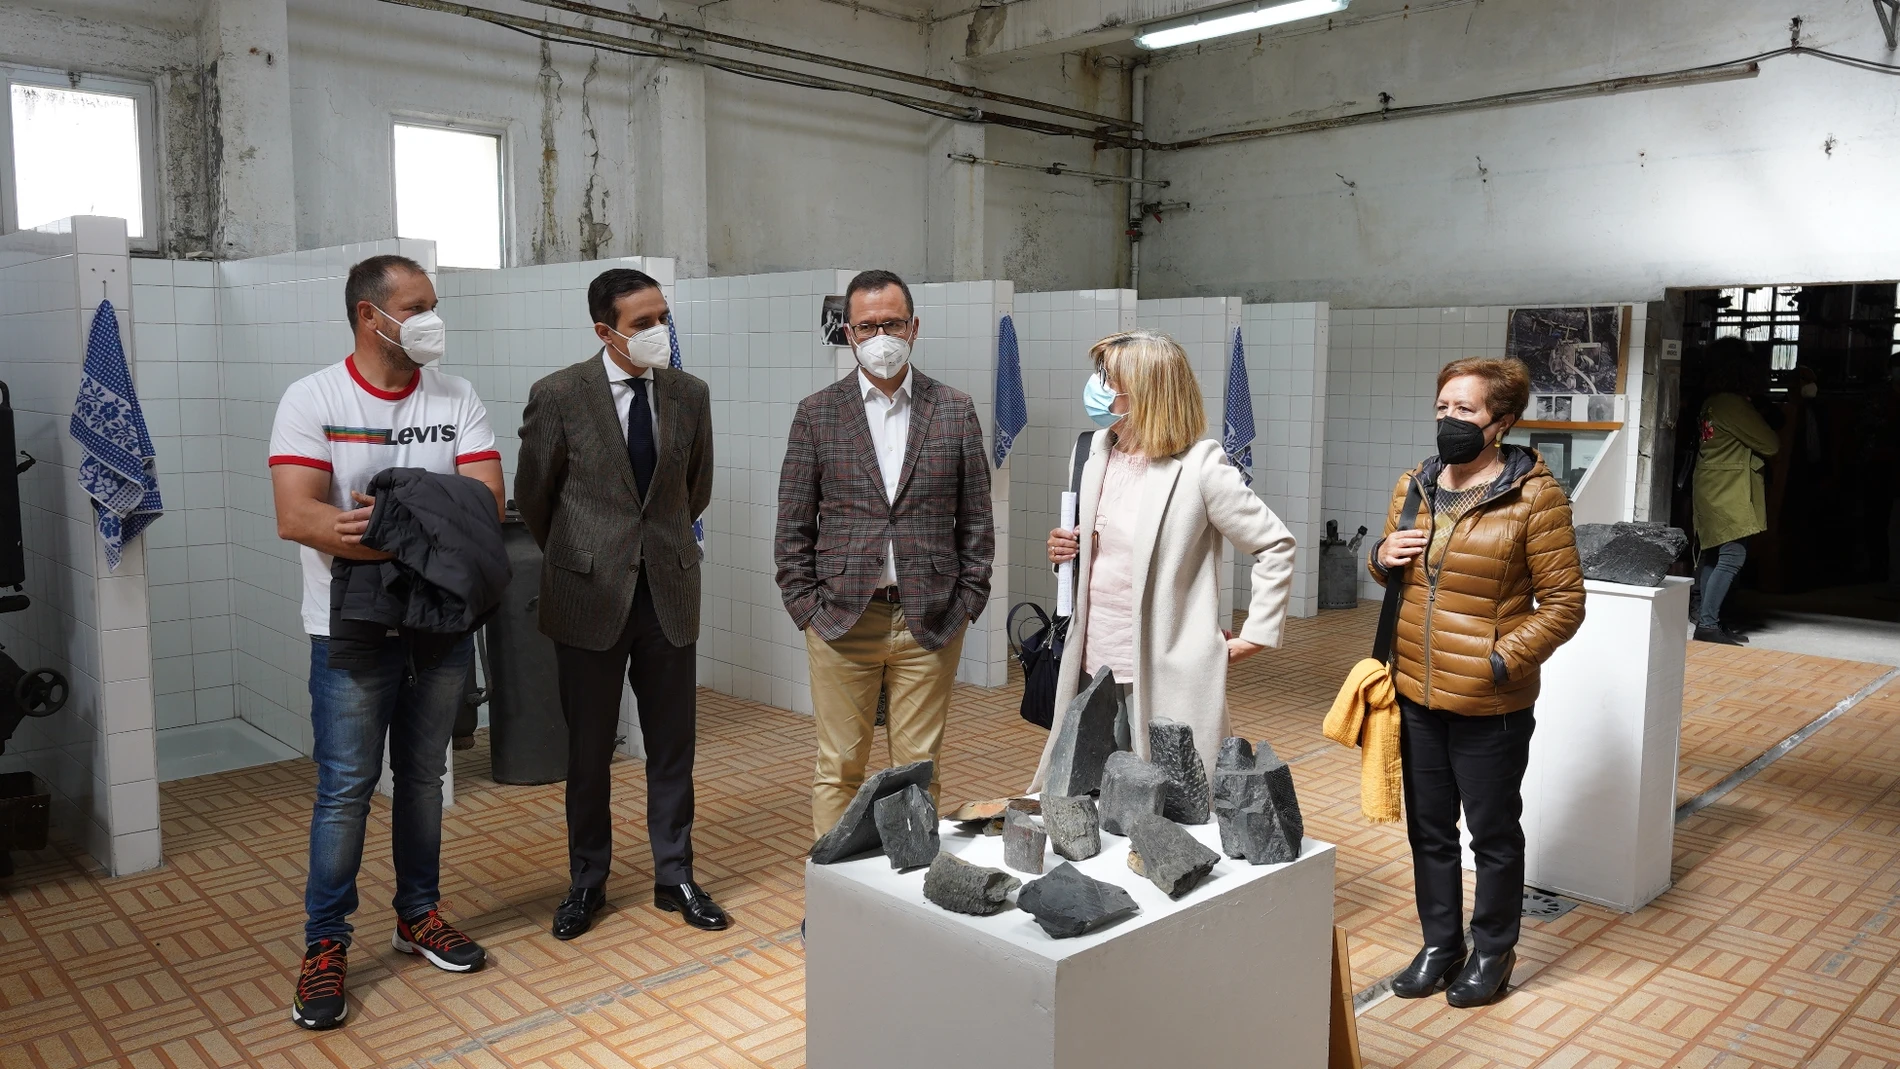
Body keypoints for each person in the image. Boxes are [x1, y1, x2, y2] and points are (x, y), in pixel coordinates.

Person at [271, 254, 505, 1031]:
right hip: (350, 631)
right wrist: (435, 523)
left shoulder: (458, 395)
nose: (434, 318)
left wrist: (385, 518)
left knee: (424, 778)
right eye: (419, 305)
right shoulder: (313, 398)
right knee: (345, 787)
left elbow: (488, 512)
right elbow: (300, 517)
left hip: (438, 627)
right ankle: (325, 944)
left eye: (435, 303)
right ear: (374, 317)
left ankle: (418, 915)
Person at [514, 268, 726, 938]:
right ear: (605, 330)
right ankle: (587, 881)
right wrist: (588, 553)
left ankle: (676, 874)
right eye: (642, 322)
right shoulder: (558, 395)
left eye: (663, 316)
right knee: (588, 751)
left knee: (672, 746)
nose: (659, 331)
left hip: (667, 589)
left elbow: (696, 490)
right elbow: (536, 498)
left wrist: (648, 546)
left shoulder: (690, 394)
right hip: (587, 595)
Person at [1371, 357, 1584, 1009]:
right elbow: (1395, 572)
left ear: (1502, 422)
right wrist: (1380, 559)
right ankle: (1442, 943)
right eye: (1442, 407)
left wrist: (1498, 661)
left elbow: (1564, 602)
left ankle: (1493, 948)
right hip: (1415, 692)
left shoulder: (1535, 496)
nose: (1449, 420)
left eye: (1464, 410)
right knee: (1428, 830)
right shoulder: (1415, 484)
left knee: (1491, 833)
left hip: (1490, 702)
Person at [775, 269, 995, 838]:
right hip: (843, 618)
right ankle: (831, 901)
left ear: (914, 327)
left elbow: (975, 518)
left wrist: (969, 598)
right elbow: (794, 521)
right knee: (840, 769)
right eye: (868, 325)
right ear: (848, 333)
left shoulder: (954, 409)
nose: (881, 336)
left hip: (931, 618)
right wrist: (806, 606)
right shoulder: (818, 412)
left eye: (892, 323)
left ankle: (910, 901)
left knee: (917, 772)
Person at [1031, 329, 1296, 788]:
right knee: (1090, 793)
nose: (1095, 386)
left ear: (1148, 390)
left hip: (1163, 664)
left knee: (1172, 799)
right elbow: (1107, 553)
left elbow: (1276, 545)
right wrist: (1067, 551)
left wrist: (1256, 635)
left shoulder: (1200, 467)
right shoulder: (1095, 452)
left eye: (1106, 377)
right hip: (1093, 659)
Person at [1692, 339, 1779, 644]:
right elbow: (1771, 444)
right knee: (1732, 555)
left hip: (1711, 485)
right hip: (1727, 489)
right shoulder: (1734, 404)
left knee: (1715, 554)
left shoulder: (1712, 401)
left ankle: (1709, 621)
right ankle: (1708, 623)